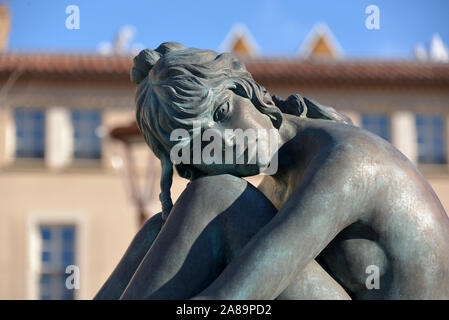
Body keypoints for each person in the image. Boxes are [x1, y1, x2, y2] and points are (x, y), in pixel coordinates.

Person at [95, 42, 449, 300]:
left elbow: (236, 299)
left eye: (221, 113)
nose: (227, 140)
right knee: (157, 230)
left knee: (215, 195)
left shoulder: (347, 161)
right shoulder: (273, 187)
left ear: (247, 90)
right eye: (203, 146)